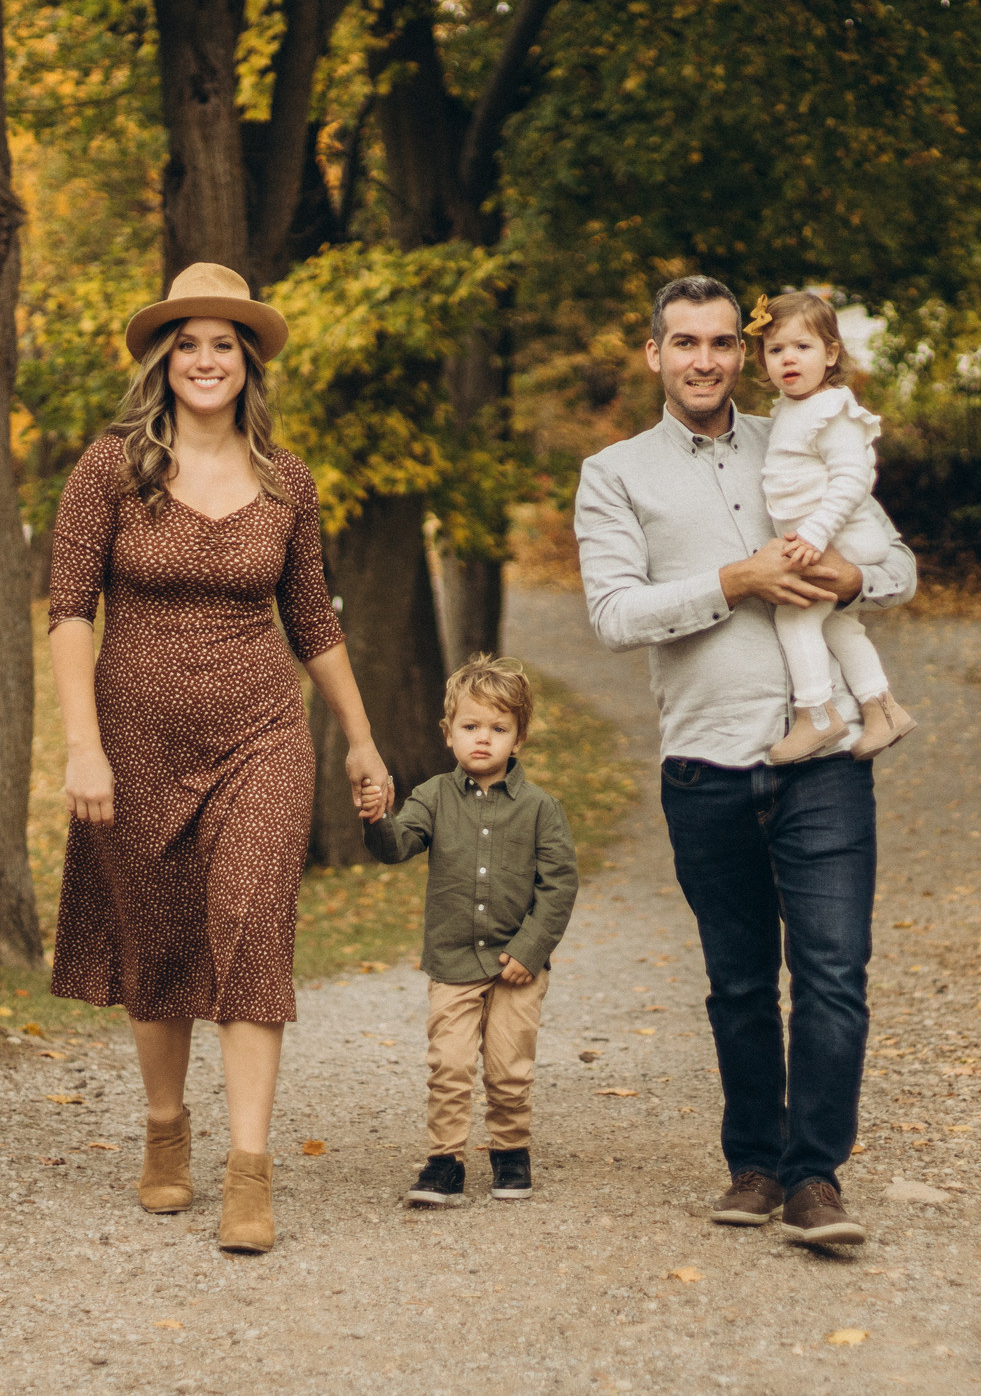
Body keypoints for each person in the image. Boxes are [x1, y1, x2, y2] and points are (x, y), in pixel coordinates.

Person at [46, 262, 394, 1256]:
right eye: (189, 343)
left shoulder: (288, 482)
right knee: (156, 942)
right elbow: (70, 611)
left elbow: (313, 618)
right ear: (165, 360)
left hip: (261, 736)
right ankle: (166, 1131)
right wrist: (82, 749)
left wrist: (362, 737)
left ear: (248, 363)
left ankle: (249, 1169)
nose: (207, 360)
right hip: (134, 739)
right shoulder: (108, 470)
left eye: (225, 345)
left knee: (250, 924)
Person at [573, 275, 917, 1249]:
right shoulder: (615, 474)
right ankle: (754, 1166)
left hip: (825, 759)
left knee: (833, 973)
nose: (705, 361)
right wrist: (735, 580)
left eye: (723, 343)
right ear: (653, 354)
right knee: (736, 984)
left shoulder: (801, 434)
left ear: (744, 352)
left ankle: (815, 1179)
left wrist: (850, 575)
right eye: (684, 343)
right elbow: (612, 615)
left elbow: (894, 566)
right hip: (705, 765)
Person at [366, 655, 579, 1209]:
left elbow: (559, 888)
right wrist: (377, 819)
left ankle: (511, 1152)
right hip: (454, 961)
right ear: (449, 734)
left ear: (519, 737)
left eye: (498, 728)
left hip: (517, 967)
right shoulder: (433, 796)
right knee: (450, 1063)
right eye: (471, 727)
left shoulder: (541, 809)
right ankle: (445, 1161)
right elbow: (398, 847)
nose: (483, 739)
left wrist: (531, 949)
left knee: (509, 1068)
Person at [744, 289, 918, 765]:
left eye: (803, 347)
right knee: (840, 626)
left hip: (838, 539)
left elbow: (852, 477)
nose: (788, 359)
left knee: (794, 616)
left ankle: (817, 716)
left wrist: (817, 534)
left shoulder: (832, 409)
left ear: (831, 353)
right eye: (776, 350)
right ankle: (883, 709)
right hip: (821, 538)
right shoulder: (789, 409)